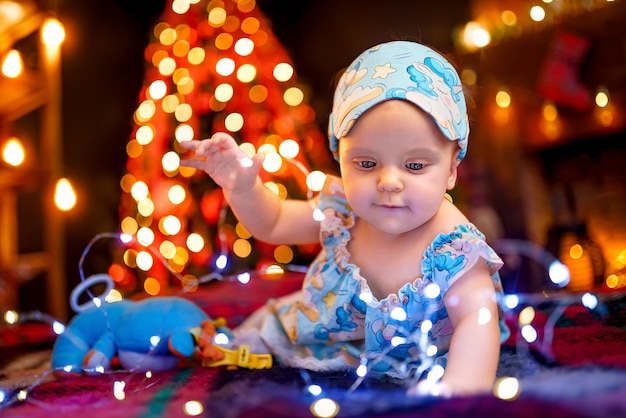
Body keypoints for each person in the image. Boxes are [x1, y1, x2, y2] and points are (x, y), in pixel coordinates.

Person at [180, 40, 509, 396]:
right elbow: (272, 223)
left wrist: (458, 392)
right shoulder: (343, 212)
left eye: (415, 166)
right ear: (341, 157)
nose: (388, 182)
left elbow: (478, 319)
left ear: (451, 171)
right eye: (366, 164)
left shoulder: (454, 247)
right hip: (323, 345)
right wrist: (242, 188)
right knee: (257, 336)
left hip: (417, 363)